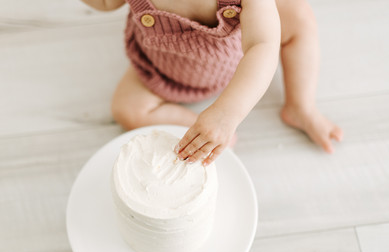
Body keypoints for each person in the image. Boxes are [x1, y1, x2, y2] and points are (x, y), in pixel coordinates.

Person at [82, 0, 343, 166]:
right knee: (126, 109)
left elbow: (262, 45)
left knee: (299, 16)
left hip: (238, 67)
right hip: (162, 72)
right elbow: (105, 3)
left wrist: (226, 114)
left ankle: (300, 106)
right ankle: (198, 133)